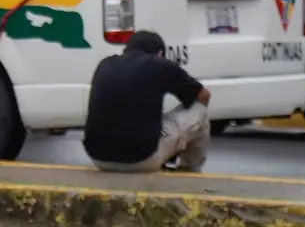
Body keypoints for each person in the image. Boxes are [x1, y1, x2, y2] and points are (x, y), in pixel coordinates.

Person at [83, 30, 212, 172]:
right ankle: (188, 170)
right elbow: (203, 96)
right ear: (160, 53)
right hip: (142, 160)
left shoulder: (104, 65)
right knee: (199, 109)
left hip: (98, 159)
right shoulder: (159, 64)